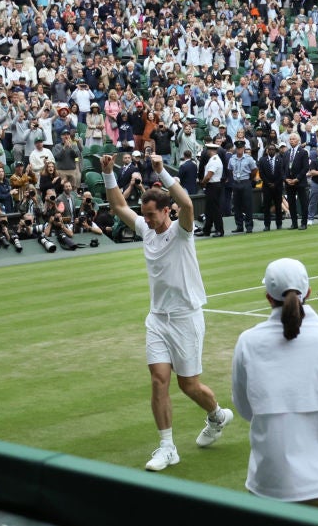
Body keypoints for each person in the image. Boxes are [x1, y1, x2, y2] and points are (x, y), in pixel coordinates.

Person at [100, 153, 233, 472]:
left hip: (187, 318)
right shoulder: (146, 230)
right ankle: (167, 446)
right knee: (159, 380)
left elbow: (187, 205)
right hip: (158, 319)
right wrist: (107, 174)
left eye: (150, 214)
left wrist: (163, 173)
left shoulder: (182, 231)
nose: (145, 220)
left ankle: (216, 415)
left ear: (165, 211)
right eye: (143, 215)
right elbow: (119, 207)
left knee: (189, 385)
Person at [231, 258, 318, 513]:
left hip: (270, 488)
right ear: (308, 293)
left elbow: (245, 410)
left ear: (268, 297)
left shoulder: (248, 342)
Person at [256, 142, 286, 231]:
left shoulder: (280, 160)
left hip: (278, 186)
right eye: (270, 149)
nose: (272, 151)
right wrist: (268, 183)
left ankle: (279, 224)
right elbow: (261, 173)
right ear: (267, 151)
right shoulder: (262, 160)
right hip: (267, 187)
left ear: (275, 151)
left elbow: (282, 173)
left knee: (278, 205)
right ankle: (267, 225)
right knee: (267, 206)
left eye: (273, 149)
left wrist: (275, 183)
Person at [228, 140, 256, 233]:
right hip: (236, 182)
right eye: (238, 148)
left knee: (248, 205)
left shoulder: (248, 158)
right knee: (237, 205)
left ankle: (249, 226)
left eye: (241, 148)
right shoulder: (232, 158)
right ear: (236, 149)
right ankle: (239, 226)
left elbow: (254, 170)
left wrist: (249, 179)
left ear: (244, 148)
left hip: (245, 181)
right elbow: (230, 169)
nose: (239, 150)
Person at [284, 133, 310, 230]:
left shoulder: (303, 152)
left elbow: (306, 167)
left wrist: (297, 179)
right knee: (291, 203)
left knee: (303, 203)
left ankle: (304, 223)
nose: (292, 141)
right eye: (290, 139)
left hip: (300, 182)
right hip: (289, 182)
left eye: (294, 139)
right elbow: (283, 168)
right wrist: (286, 179)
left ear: (298, 140)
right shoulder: (286, 153)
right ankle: (294, 223)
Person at [198, 142, 224, 237]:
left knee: (215, 209)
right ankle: (206, 230)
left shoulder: (214, 160)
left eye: (207, 150)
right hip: (212, 186)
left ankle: (219, 230)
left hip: (213, 185)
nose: (206, 151)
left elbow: (208, 176)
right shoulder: (212, 159)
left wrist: (203, 183)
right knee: (208, 210)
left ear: (210, 150)